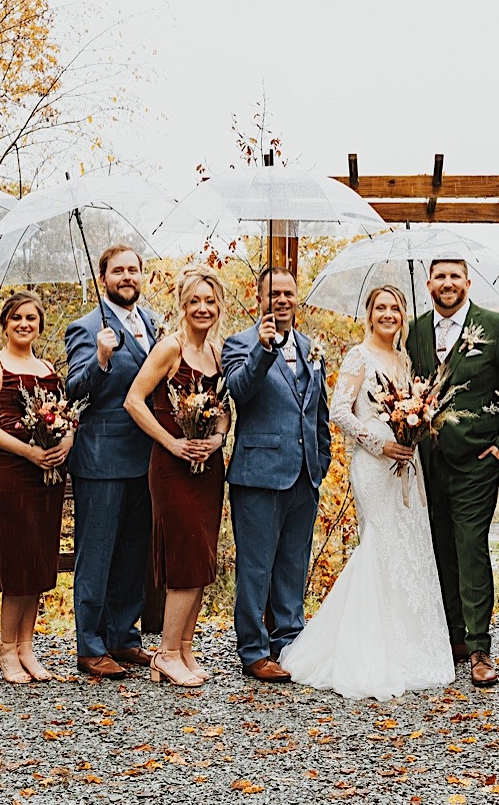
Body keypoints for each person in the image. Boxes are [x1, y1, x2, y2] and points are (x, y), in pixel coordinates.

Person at [279, 285, 456, 699]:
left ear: (403, 314)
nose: (389, 314)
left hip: (405, 465)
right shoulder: (359, 356)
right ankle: (366, 648)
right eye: (381, 308)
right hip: (374, 465)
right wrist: (379, 442)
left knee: (408, 545)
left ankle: (408, 645)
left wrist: (411, 430)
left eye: (395, 308)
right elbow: (340, 411)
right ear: (369, 313)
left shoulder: (404, 359)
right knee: (380, 545)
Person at [406, 258, 499, 688]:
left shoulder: (495, 327)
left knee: (471, 545)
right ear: (429, 284)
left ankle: (479, 648)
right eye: (440, 276)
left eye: (455, 276)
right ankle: (452, 637)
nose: (447, 283)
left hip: (479, 461)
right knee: (440, 545)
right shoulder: (416, 330)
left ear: (468, 281)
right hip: (430, 460)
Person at [222, 266, 332, 683]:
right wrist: (263, 351)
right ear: (259, 299)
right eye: (274, 294)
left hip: (305, 475)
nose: (282, 300)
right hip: (259, 474)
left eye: (288, 293)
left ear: (296, 298)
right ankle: (253, 649)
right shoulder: (241, 343)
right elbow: (238, 390)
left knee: (293, 562)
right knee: (255, 566)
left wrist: (320, 460)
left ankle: (290, 641)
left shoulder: (310, 346)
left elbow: (317, 410)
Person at [123, 267, 232, 687]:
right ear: (182, 305)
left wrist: (219, 438)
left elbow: (223, 409)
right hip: (173, 466)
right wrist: (172, 444)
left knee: (201, 557)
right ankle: (165, 653)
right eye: (194, 301)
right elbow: (133, 401)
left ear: (219, 305)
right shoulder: (171, 347)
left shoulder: (218, 352)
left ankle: (184, 648)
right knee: (183, 555)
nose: (202, 308)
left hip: (207, 468)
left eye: (210, 301)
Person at [0, 292, 71, 684]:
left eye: (31, 318)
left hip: (49, 474)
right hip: (12, 471)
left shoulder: (46, 367)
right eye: (16, 318)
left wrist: (64, 443)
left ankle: (26, 646)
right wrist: (28, 451)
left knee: (40, 558)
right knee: (17, 557)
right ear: (5, 324)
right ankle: (5, 647)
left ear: (40, 324)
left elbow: (66, 417)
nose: (24, 324)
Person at [65, 244, 158, 679]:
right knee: (97, 553)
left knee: (133, 554)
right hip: (102, 458)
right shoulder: (85, 328)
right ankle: (90, 644)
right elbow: (74, 392)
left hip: (148, 456)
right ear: (104, 279)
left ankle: (124, 635)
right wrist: (100, 359)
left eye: (133, 270)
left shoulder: (152, 324)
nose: (127, 277)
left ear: (142, 276)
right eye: (118, 271)